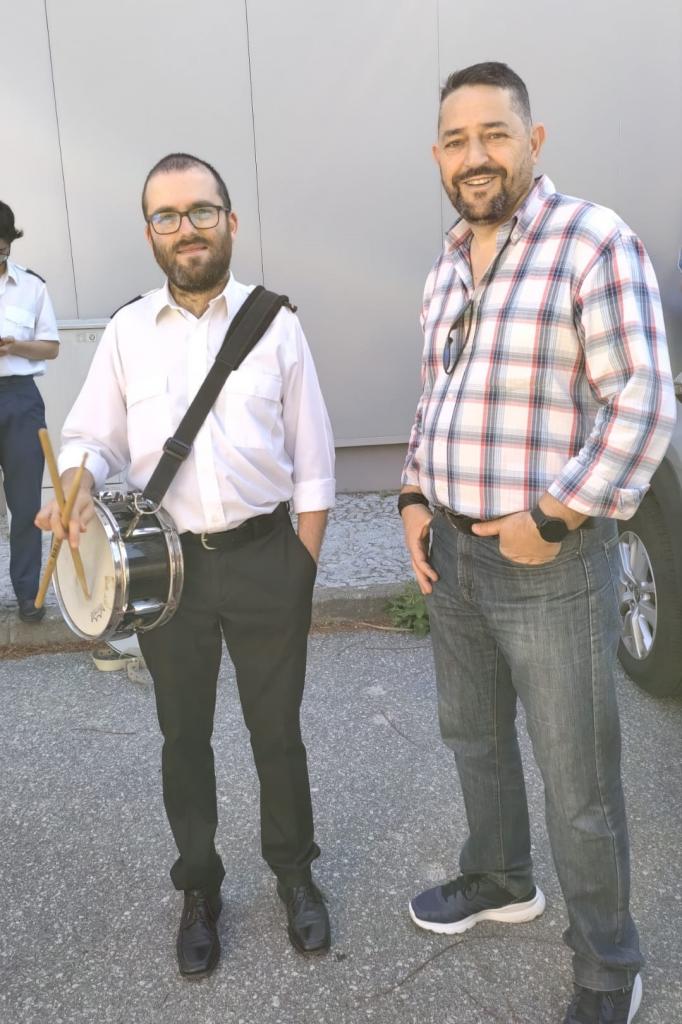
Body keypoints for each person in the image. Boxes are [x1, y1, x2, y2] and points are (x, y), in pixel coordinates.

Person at [399, 63, 675, 1024]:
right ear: (438, 155)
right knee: (473, 736)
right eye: (456, 139)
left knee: (579, 782)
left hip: (550, 561)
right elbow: (437, 395)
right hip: (456, 557)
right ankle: (500, 878)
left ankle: (609, 963)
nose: (475, 155)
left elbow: (644, 403)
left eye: (495, 134)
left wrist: (552, 517)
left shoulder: (590, 241)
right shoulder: (447, 262)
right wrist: (411, 492)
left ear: (534, 140)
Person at [36, 153, 335, 976]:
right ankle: (199, 886)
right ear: (150, 234)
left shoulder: (277, 324)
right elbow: (90, 438)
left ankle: (295, 874)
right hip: (166, 573)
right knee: (184, 737)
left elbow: (314, 461)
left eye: (201, 211)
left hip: (266, 556)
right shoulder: (128, 331)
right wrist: (71, 484)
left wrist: (300, 569)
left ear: (230, 221)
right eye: (166, 216)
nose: (186, 229)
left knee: (278, 733)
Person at [0, 201, 59, 623]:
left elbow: (51, 347)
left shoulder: (32, 287)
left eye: (1, 248)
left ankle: (28, 595)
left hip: (20, 399)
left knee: (24, 505)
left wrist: (15, 346)